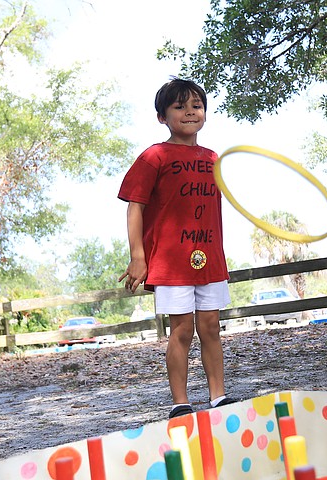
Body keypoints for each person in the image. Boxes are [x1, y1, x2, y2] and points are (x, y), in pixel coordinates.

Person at [118, 78, 236, 418]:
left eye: (196, 106)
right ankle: (181, 403)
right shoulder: (155, 155)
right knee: (182, 328)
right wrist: (139, 257)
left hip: (209, 257)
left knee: (211, 326)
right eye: (179, 106)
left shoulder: (213, 159)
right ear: (162, 117)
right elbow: (135, 205)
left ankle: (218, 397)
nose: (189, 112)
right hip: (172, 262)